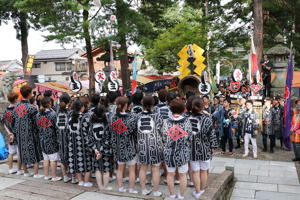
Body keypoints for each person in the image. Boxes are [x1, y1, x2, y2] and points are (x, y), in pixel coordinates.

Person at [162, 98, 192, 199]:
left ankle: (171, 195)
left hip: (169, 152)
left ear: (171, 109)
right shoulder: (186, 122)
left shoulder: (166, 122)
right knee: (183, 175)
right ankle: (181, 195)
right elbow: (189, 137)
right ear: (183, 109)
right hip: (183, 152)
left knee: (170, 174)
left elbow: (164, 137)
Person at [11, 85, 43, 178]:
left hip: (19, 133)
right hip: (31, 134)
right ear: (29, 94)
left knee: (22, 151)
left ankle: (25, 172)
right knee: (35, 152)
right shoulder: (31, 108)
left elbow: (13, 120)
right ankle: (36, 173)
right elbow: (37, 123)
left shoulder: (16, 106)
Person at [189, 98, 218, 199]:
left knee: (195, 171)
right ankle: (202, 190)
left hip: (192, 149)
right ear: (202, 107)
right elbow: (212, 135)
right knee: (204, 171)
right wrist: (213, 146)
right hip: (205, 149)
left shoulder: (187, 119)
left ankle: (197, 191)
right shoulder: (207, 119)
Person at [136, 96, 164, 196]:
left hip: (141, 145)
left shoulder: (137, 116)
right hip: (155, 145)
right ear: (153, 105)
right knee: (155, 169)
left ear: (142, 104)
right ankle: (156, 191)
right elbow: (162, 131)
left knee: (143, 168)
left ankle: (143, 190)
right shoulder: (158, 116)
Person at [110, 96, 138, 194]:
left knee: (120, 169)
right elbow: (135, 134)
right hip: (129, 146)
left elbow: (111, 132)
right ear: (126, 105)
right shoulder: (132, 117)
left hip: (117, 146)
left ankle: (120, 188)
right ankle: (131, 188)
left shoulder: (113, 117)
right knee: (131, 170)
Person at [68, 100, 92, 187]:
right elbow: (89, 131)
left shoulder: (70, 117)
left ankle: (80, 181)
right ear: (81, 107)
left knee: (75, 162)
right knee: (86, 162)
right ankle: (86, 182)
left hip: (72, 144)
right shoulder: (85, 118)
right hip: (83, 144)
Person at [37, 97, 61, 181]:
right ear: (49, 104)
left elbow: (38, 127)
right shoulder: (53, 114)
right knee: (53, 159)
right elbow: (56, 127)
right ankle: (54, 176)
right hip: (51, 139)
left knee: (46, 159)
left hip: (42, 138)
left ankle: (46, 175)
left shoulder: (38, 114)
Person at [90, 105, 113, 191]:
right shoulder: (107, 125)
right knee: (106, 170)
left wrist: (96, 150)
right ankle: (105, 187)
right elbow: (108, 139)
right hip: (106, 151)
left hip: (95, 151)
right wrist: (102, 151)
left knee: (98, 169)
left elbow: (90, 139)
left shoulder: (92, 125)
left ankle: (100, 187)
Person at [1, 92, 22, 175]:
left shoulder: (6, 110)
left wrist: (9, 133)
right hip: (17, 134)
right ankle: (19, 170)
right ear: (15, 99)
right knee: (19, 153)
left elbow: (4, 123)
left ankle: (10, 169)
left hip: (10, 135)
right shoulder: (17, 109)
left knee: (11, 152)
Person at [56, 93, 72, 183]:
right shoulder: (69, 112)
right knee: (69, 155)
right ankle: (70, 172)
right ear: (68, 102)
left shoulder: (56, 111)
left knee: (62, 157)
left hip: (59, 137)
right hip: (68, 137)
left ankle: (65, 176)